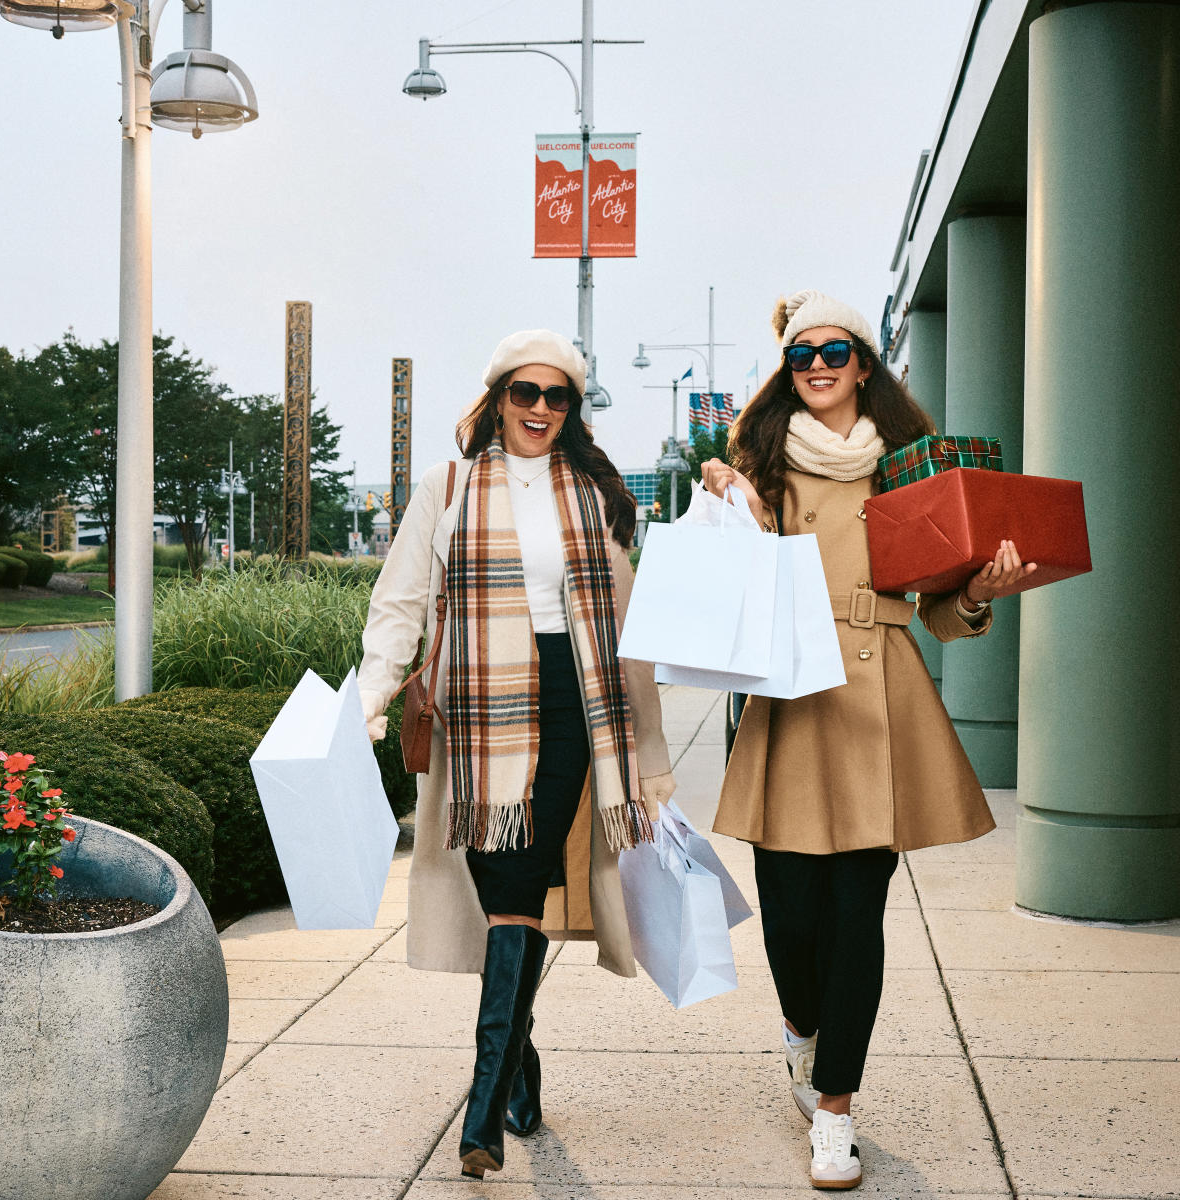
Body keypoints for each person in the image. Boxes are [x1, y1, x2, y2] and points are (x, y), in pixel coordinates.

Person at [702, 290, 1034, 1191]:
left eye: (835, 350)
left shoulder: (912, 467)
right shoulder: (758, 460)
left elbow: (939, 609)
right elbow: (730, 567)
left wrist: (978, 594)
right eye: (802, 351)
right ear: (786, 366)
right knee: (790, 918)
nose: (818, 364)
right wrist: (721, 492)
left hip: (879, 691)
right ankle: (801, 1034)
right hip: (791, 696)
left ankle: (836, 1115)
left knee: (858, 917)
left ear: (864, 363)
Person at [358, 329, 675, 1182]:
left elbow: (631, 627)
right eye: (524, 392)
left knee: (525, 878)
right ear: (497, 397)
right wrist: (372, 696)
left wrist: (647, 748)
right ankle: (515, 1070)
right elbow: (400, 601)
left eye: (557, 395)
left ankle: (483, 1106)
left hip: (575, 697)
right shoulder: (450, 485)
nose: (539, 408)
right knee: (505, 885)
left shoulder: (595, 493)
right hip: (479, 702)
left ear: (572, 408)